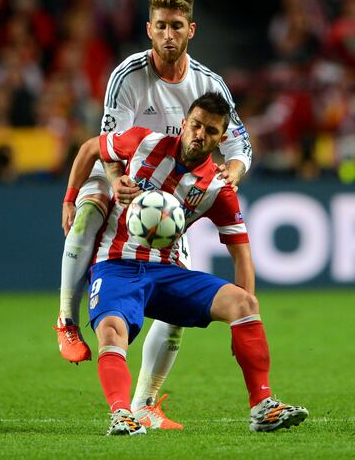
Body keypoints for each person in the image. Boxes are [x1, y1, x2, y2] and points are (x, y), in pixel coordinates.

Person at [55, 0, 252, 429]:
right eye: (160, 25)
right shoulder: (127, 75)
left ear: (191, 31)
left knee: (174, 303)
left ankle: (146, 402)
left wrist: (234, 171)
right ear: (149, 28)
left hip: (172, 194)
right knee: (88, 214)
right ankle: (66, 317)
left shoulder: (209, 85)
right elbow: (107, 143)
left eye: (176, 26)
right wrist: (112, 182)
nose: (167, 34)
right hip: (125, 171)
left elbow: (241, 144)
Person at [62, 92, 308, 436]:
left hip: (168, 273)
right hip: (116, 264)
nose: (199, 135)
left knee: (244, 302)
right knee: (112, 330)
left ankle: (263, 406)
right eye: (195, 125)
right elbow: (90, 148)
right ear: (183, 124)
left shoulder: (218, 188)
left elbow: (242, 252)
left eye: (210, 131)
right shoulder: (143, 142)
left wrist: (245, 325)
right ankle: (122, 413)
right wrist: (71, 198)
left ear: (221, 139)